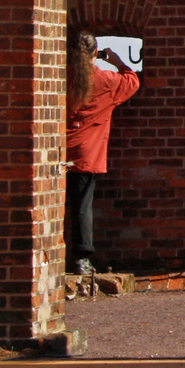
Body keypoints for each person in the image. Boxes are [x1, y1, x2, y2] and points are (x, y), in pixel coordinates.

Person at [65, 29, 141, 276]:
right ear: (95, 53)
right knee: (81, 207)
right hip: (87, 153)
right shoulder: (106, 81)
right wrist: (118, 62)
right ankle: (81, 258)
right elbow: (132, 81)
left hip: (56, 150)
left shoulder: (61, 76)